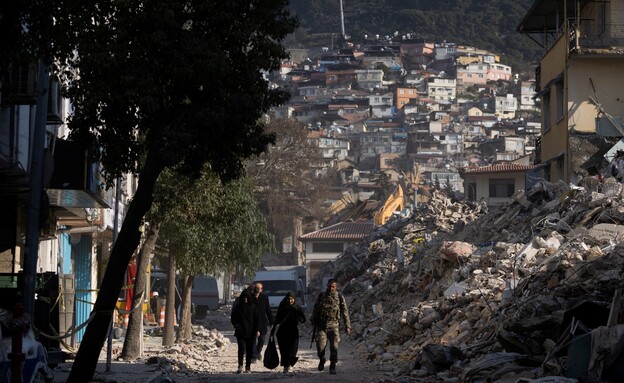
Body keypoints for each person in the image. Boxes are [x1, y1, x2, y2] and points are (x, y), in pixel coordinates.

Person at [311, 278, 350, 375]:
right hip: (321, 325)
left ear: (336, 287)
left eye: (333, 286)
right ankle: (322, 359)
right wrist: (313, 319)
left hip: (334, 325)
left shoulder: (339, 297)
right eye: (329, 286)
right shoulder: (321, 296)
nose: (331, 288)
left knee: (334, 348)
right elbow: (315, 309)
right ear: (327, 286)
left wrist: (347, 326)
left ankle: (332, 366)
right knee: (320, 347)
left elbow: (345, 312)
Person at [271, 291, 306, 373]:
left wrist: (299, 318)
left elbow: (303, 319)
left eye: (291, 299)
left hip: (293, 331)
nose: (290, 301)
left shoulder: (297, 307)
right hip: (283, 332)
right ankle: (286, 366)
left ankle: (290, 363)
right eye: (288, 299)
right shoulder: (282, 307)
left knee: (293, 349)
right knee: (284, 350)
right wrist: (273, 328)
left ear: (294, 299)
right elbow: (277, 319)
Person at [230, 289, 261, 374]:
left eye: (247, 297)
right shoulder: (238, 307)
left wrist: (257, 330)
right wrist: (236, 325)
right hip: (240, 332)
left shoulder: (253, 307)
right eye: (244, 297)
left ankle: (248, 367)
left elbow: (257, 319)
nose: (245, 299)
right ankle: (240, 366)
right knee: (241, 349)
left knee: (249, 350)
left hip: (251, 332)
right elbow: (233, 318)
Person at [251, 282, 274, 363]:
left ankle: (257, 352)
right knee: (253, 340)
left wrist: (271, 321)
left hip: (263, 322)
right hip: (252, 323)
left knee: (262, 340)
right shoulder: (250, 297)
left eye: (259, 288)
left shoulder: (264, 297)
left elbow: (268, 309)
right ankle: (253, 357)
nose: (257, 289)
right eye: (256, 288)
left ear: (261, 289)